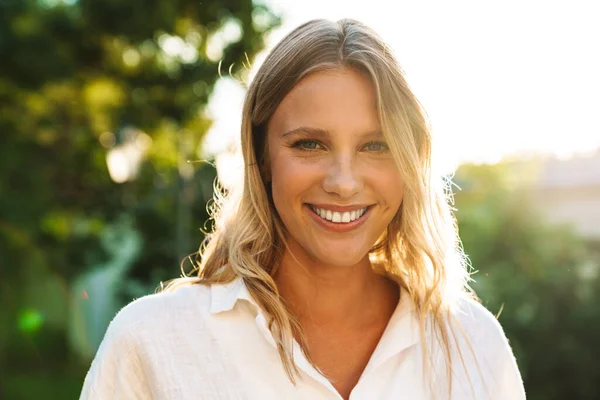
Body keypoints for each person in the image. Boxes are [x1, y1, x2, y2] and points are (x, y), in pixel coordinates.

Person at [79, 18, 526, 400]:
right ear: (261, 156)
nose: (344, 182)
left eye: (377, 145)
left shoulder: (473, 344)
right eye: (309, 144)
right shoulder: (152, 343)